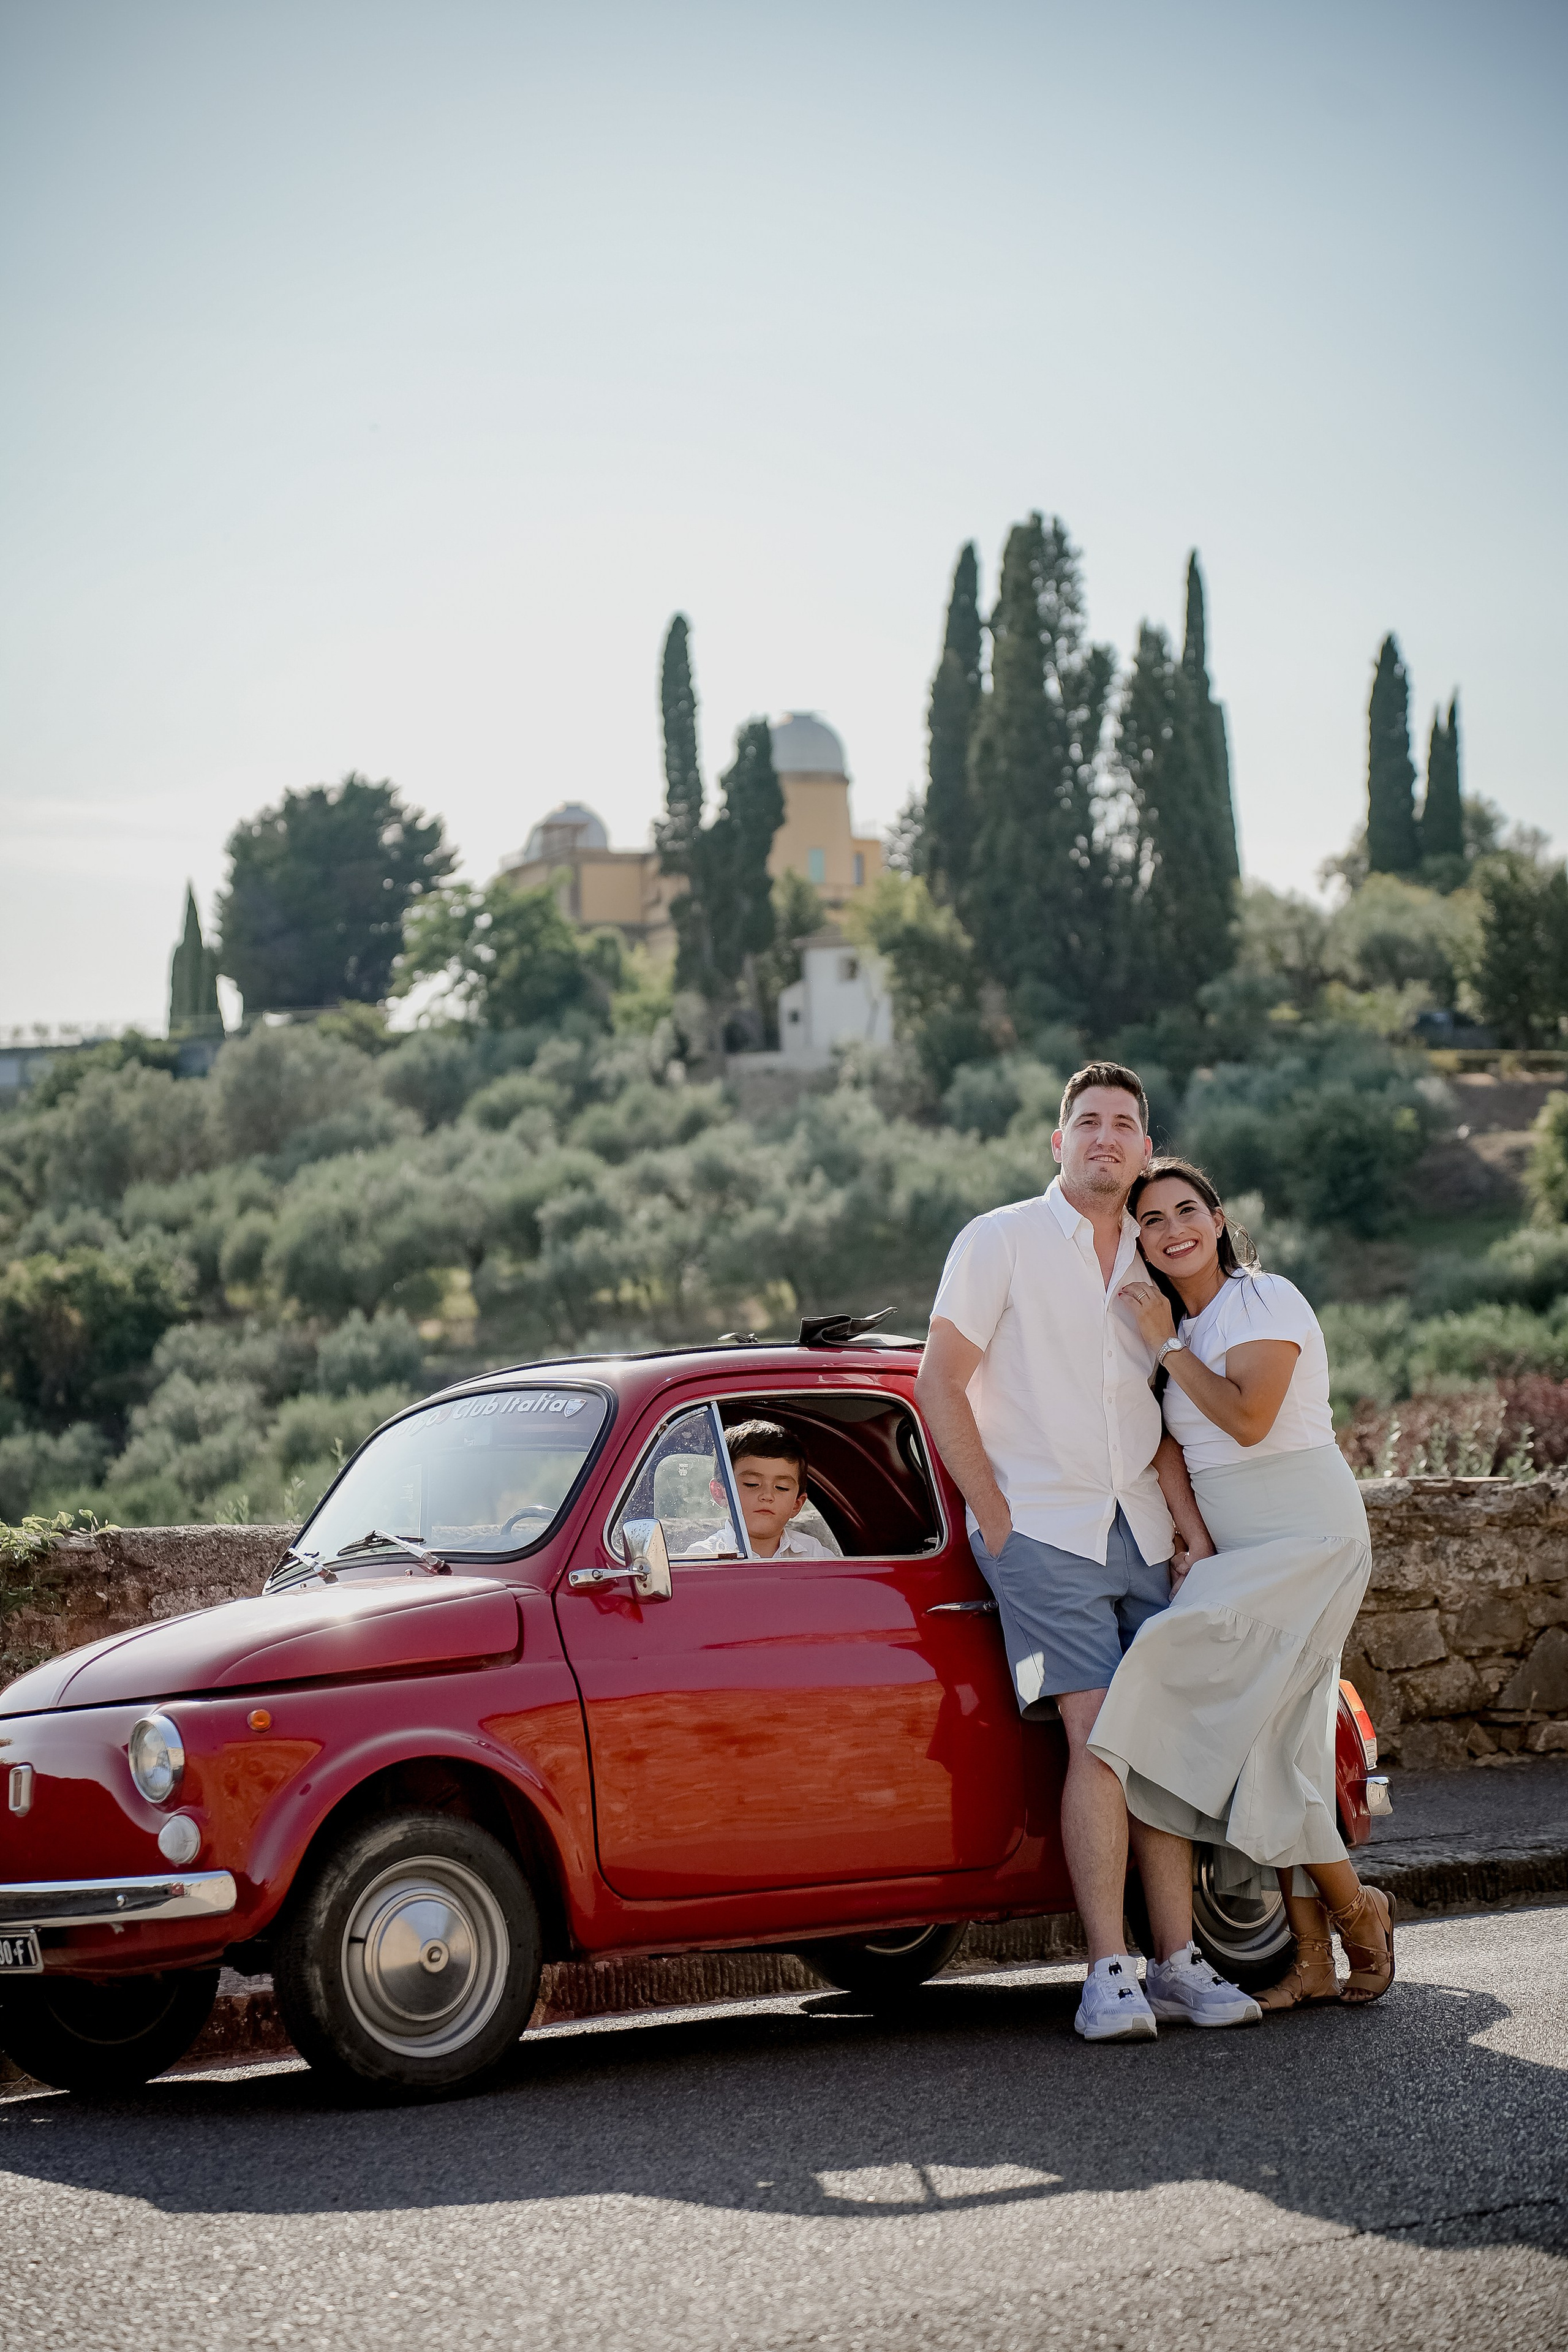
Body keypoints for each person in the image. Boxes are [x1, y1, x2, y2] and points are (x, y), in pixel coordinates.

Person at [916, 1063, 1262, 2043]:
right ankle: (1108, 1970)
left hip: (1141, 1532)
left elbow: (1152, 1414)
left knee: (1155, 1745)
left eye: (1124, 1124)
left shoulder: (1153, 1259)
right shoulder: (1000, 1240)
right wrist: (994, 1515)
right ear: (1057, 1142)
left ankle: (1180, 1964)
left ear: (1145, 1149)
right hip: (1041, 1534)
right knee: (1100, 1732)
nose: (1105, 1137)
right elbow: (938, 1382)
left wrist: (1190, 1533)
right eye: (1088, 1122)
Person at [1090, 1156, 1395, 2008]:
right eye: (1151, 1220)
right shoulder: (1163, 1334)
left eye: (1188, 1210)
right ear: (1140, 1240)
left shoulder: (1266, 1300)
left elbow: (1248, 1418)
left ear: (1218, 1221)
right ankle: (1318, 1953)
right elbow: (1167, 1445)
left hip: (1309, 1534)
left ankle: (1359, 1912)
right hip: (1234, 1544)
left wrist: (1164, 1343)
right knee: (1275, 1746)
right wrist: (1192, 1536)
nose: (1173, 1228)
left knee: (1162, 1650)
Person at [688, 1420, 842, 1560]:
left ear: (797, 1504)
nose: (767, 1496)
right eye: (752, 1484)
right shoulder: (702, 1558)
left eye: (781, 1488)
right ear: (720, 1493)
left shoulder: (816, 1555)